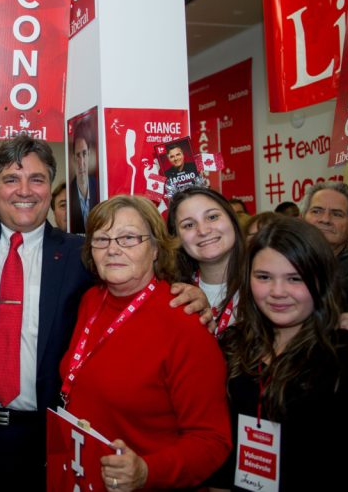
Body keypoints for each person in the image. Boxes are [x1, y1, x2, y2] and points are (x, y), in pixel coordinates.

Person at [0, 24, 211, 489]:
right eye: (12, 180)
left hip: (45, 436)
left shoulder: (80, 254)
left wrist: (196, 295)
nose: (24, 191)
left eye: (37, 179)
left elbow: (138, 281)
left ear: (52, 186)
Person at [59, 195, 230, 490]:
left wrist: (147, 471)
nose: (113, 249)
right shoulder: (91, 300)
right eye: (102, 239)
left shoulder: (185, 322)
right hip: (83, 476)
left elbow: (212, 441)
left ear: (154, 248)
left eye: (128, 238)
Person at [209, 217, 348, 490]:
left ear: (321, 279)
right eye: (263, 277)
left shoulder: (340, 355)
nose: (277, 292)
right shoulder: (232, 345)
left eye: (295, 278)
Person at [168, 186, 245, 335]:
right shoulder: (174, 295)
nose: (203, 231)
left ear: (232, 220)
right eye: (189, 225)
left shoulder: (264, 285)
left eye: (212, 217)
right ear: (176, 238)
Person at [301, 181, 348, 311]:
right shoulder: (283, 262)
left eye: (337, 214)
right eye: (316, 211)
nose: (325, 219)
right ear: (302, 218)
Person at [69, 120, 98, 234]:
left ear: (90, 153)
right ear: (73, 158)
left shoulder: (99, 187)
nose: (81, 163)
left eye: (84, 153)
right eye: (78, 155)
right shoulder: (69, 193)